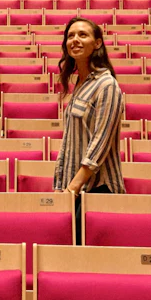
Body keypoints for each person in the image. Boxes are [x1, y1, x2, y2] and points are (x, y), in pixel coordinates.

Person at [53, 17, 125, 240]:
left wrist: (72, 188)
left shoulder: (106, 84)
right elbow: (70, 142)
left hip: (97, 190)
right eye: (71, 35)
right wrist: (60, 186)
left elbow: (99, 145)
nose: (75, 40)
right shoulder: (81, 84)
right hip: (76, 190)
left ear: (98, 43)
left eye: (83, 35)